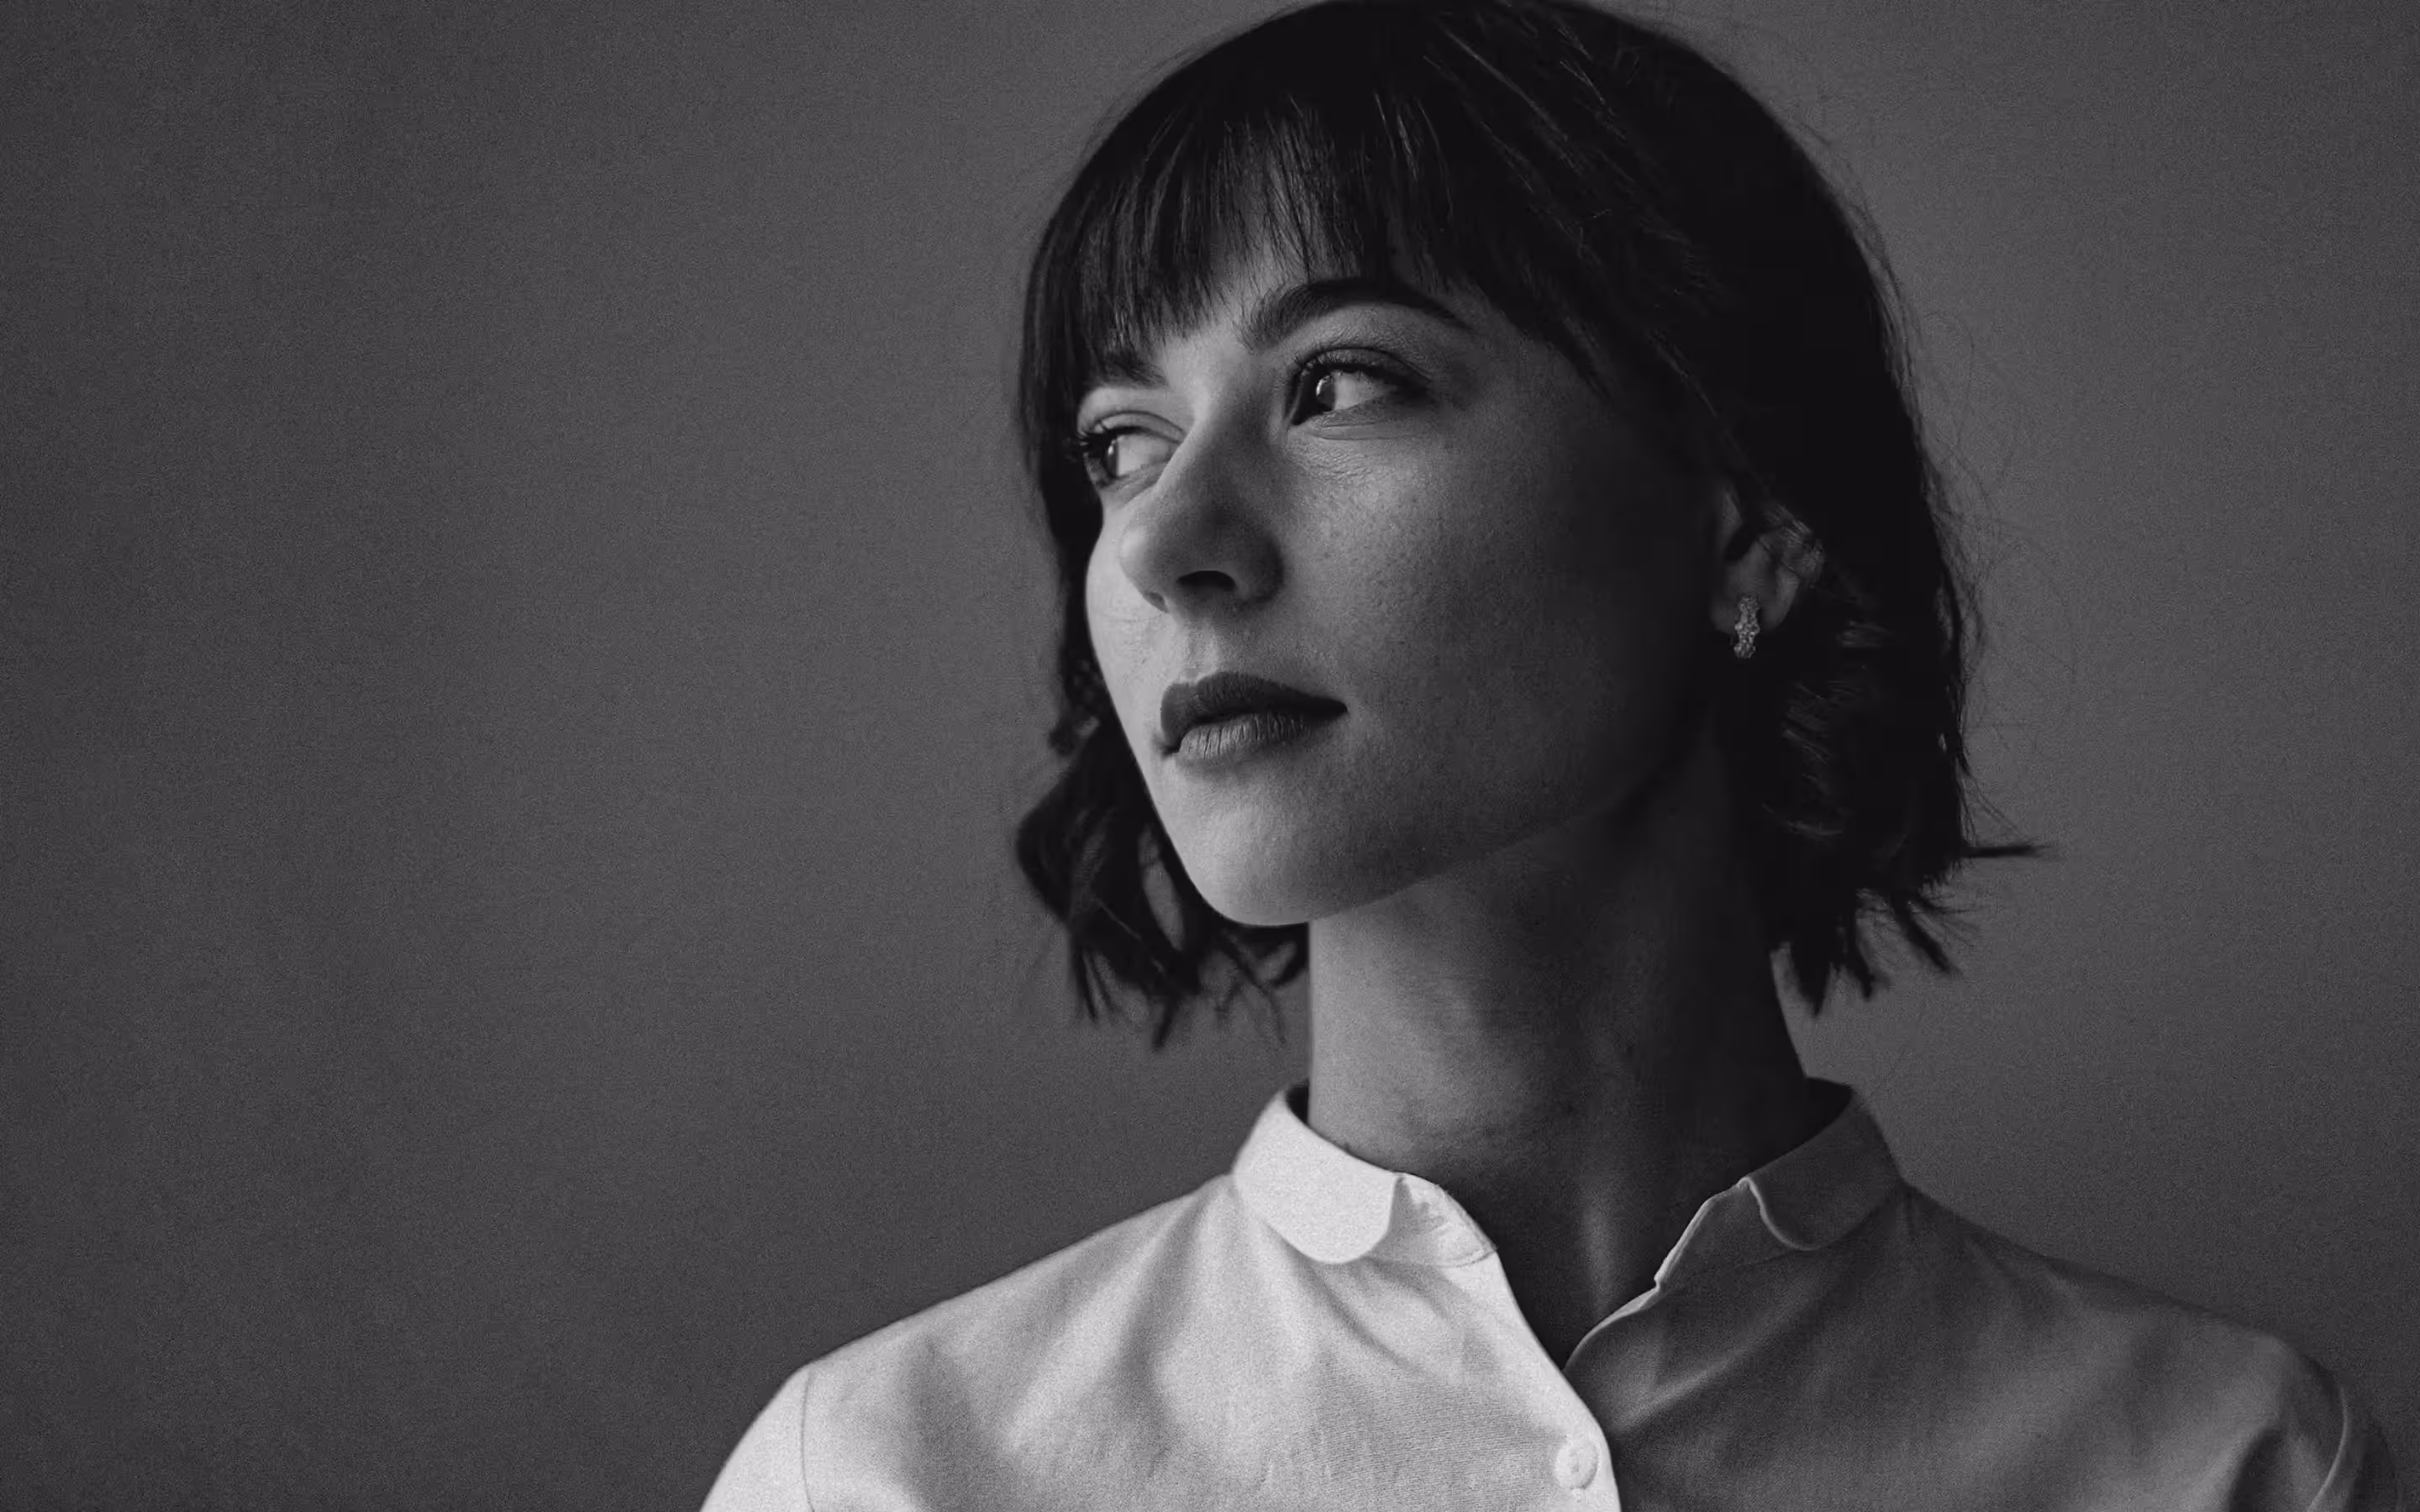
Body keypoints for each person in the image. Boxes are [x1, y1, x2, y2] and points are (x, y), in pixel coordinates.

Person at [703, 1, 2400, 1506]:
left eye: (1340, 383)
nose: (1165, 544)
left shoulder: (2227, 1463)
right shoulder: (886, 1471)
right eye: (1119, 443)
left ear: (1745, 532)